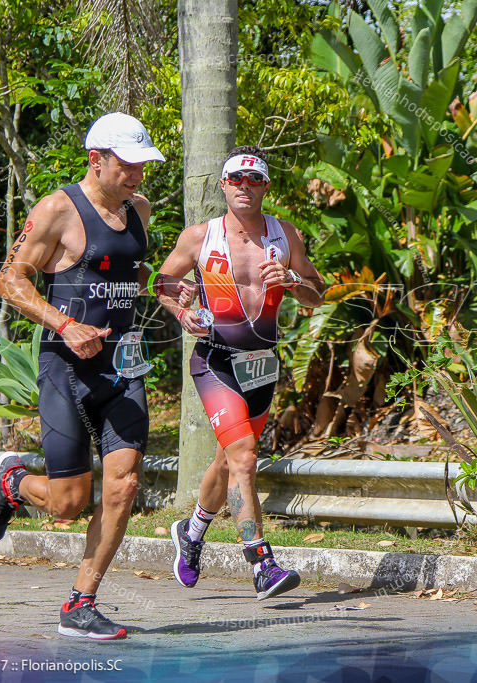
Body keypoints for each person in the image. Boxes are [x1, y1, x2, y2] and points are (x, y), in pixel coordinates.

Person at [0, 112, 191, 640]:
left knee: (125, 484)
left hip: (124, 367)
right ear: (96, 160)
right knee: (70, 504)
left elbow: (123, 270)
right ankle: (12, 481)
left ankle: (80, 604)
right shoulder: (57, 209)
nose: (138, 175)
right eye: (128, 164)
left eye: (143, 165)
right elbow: (10, 279)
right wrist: (66, 324)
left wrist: (161, 287)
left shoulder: (137, 209)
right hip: (65, 367)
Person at [156, 145, 326, 600]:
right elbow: (162, 283)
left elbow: (317, 293)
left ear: (266, 186)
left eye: (254, 180)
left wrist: (293, 283)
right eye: (236, 179)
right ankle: (261, 562)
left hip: (262, 366)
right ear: (223, 185)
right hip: (215, 362)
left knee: (227, 460)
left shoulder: (285, 236)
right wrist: (181, 309)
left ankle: (191, 533)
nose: (245, 187)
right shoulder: (199, 237)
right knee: (245, 458)